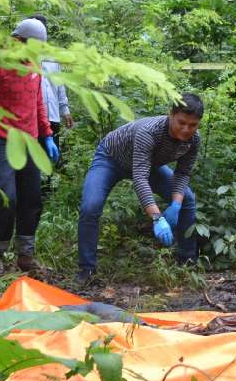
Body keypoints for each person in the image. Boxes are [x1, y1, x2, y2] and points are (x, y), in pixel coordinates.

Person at [0, 18, 60, 278]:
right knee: (7, 196)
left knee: (32, 198)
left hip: (29, 141)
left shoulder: (34, 67)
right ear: (18, 41)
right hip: (0, 140)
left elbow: (38, 103)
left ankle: (25, 253)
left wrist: (47, 135)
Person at [75, 94, 204, 287]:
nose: (186, 129)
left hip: (149, 165)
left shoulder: (193, 140)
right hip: (111, 158)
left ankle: (187, 261)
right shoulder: (150, 132)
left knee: (187, 199)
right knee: (90, 206)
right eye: (181, 122)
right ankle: (87, 269)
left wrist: (176, 204)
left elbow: (183, 173)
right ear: (171, 115)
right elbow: (140, 178)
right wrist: (157, 218)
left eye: (192, 125)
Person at [30, 14, 73, 169]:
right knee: (33, 155)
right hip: (32, 116)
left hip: (52, 114)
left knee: (51, 153)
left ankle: (48, 189)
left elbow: (59, 85)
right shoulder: (24, 56)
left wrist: (65, 110)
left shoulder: (53, 58)